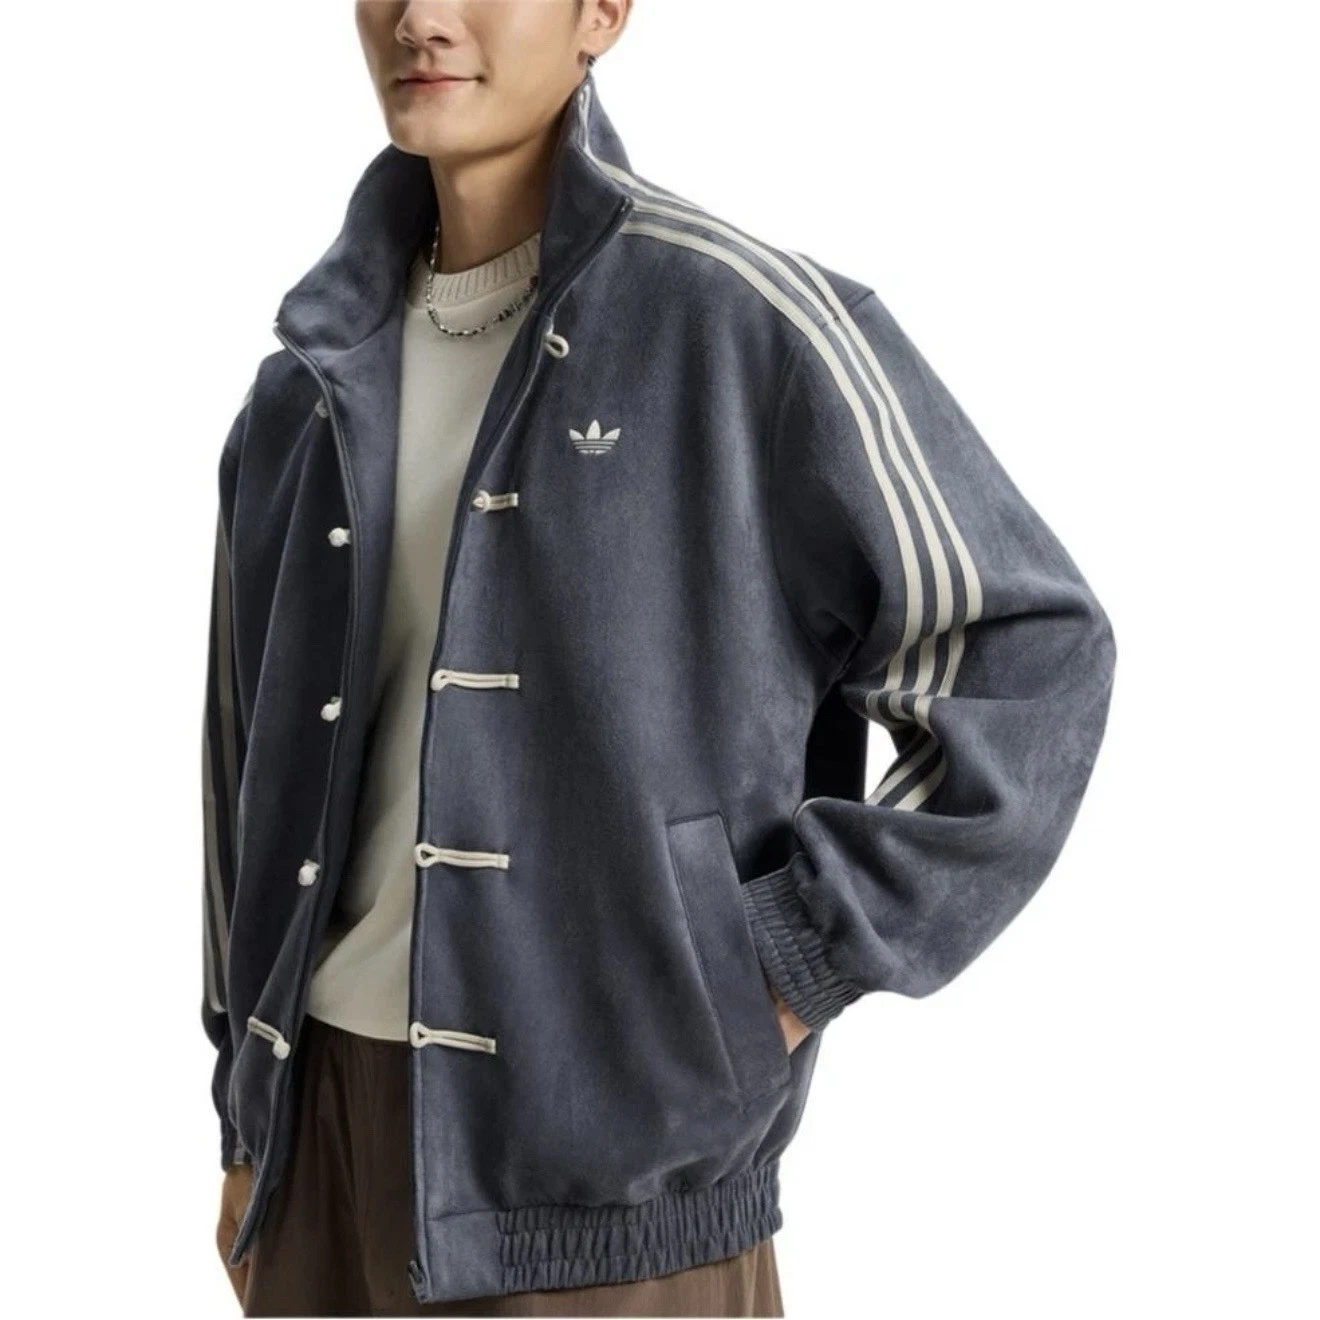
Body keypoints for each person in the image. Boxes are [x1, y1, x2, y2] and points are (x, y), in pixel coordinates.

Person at [202, 1, 1117, 1315]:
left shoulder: (739, 323)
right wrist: (245, 1116)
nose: (423, 17)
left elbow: (1029, 654)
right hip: (320, 1138)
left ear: (603, 12)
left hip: (619, 1174)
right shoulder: (303, 384)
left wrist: (783, 965)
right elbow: (245, 763)